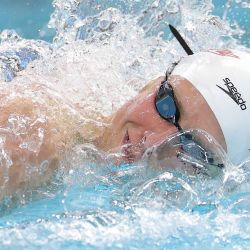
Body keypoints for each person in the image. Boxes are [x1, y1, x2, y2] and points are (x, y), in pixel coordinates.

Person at [0, 26, 250, 200]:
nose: (154, 143)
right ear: (152, 82)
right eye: (167, 107)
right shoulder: (33, 136)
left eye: (193, 149)